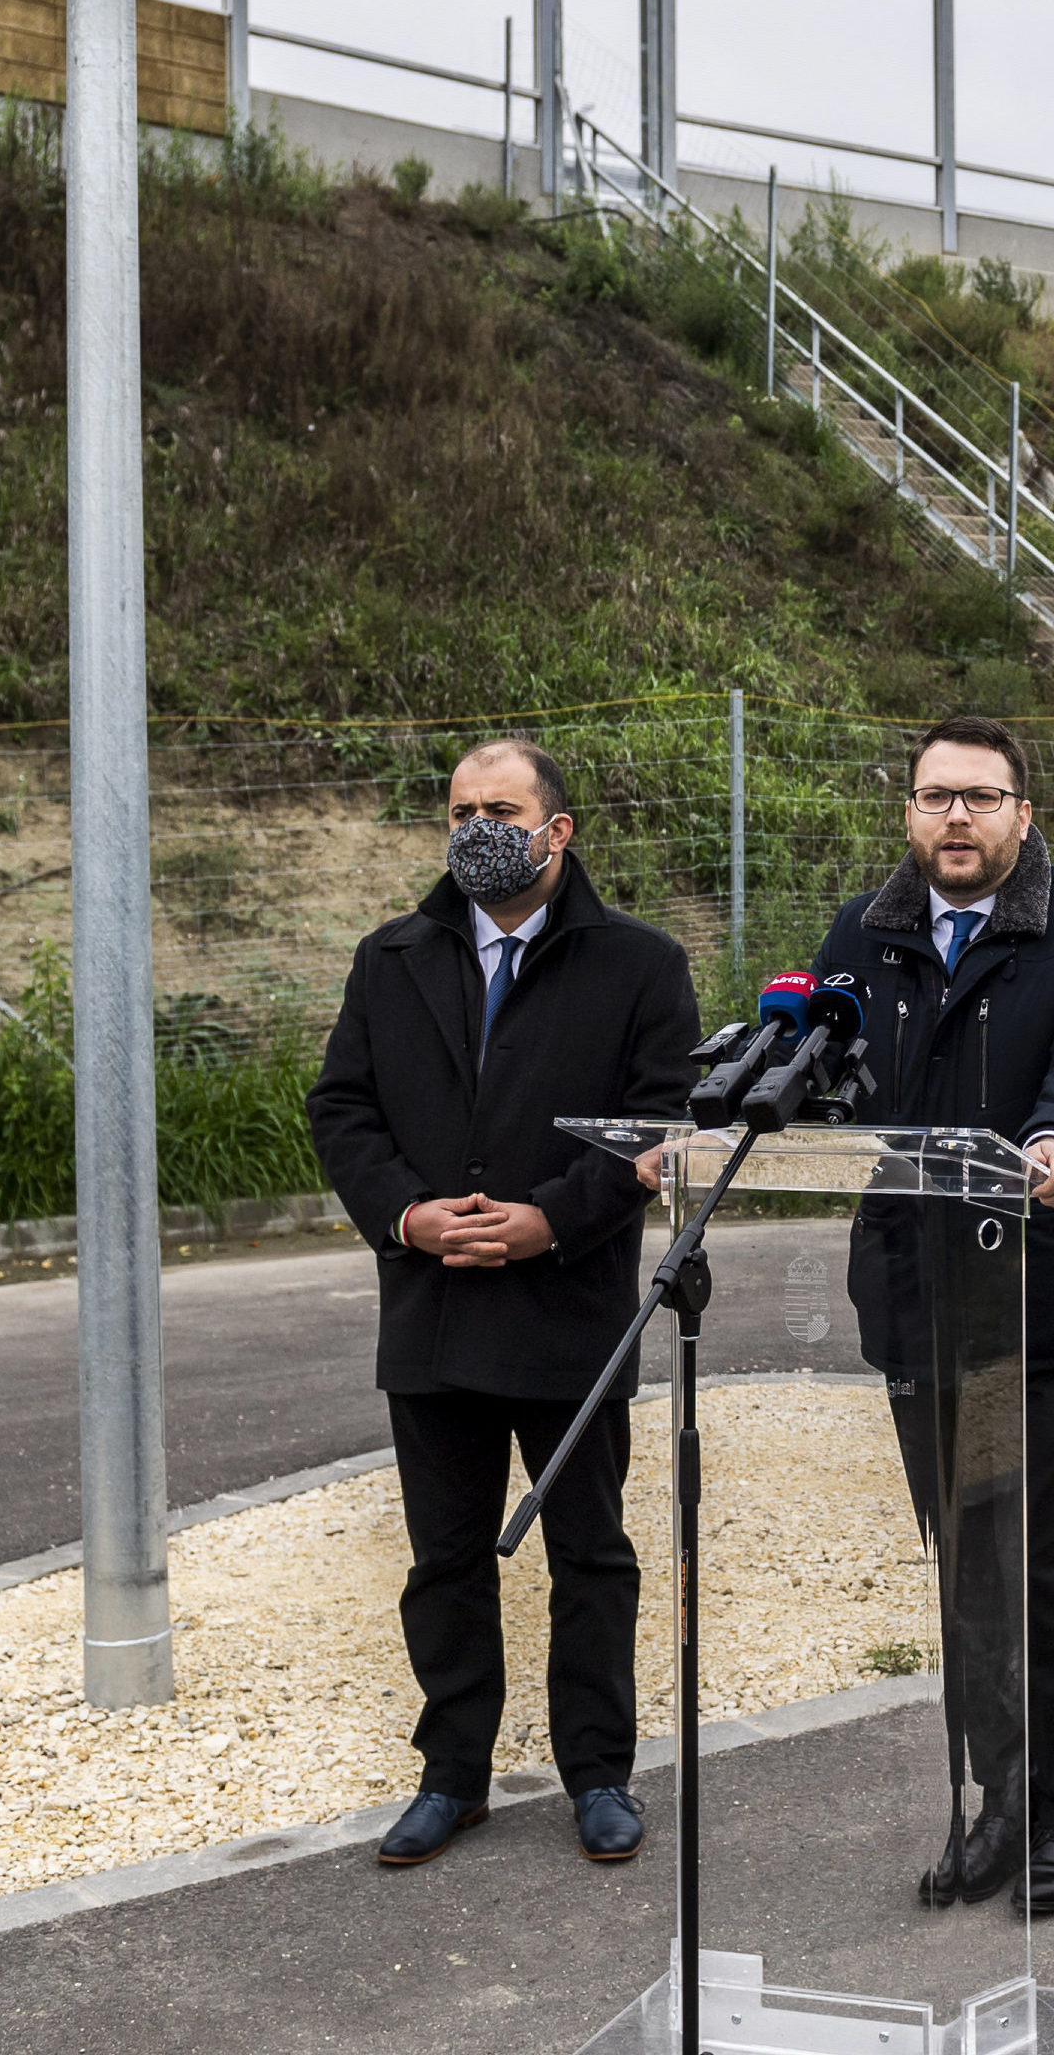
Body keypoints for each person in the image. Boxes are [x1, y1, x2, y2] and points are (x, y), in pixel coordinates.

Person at [308, 738, 697, 1872]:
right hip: (428, 1307)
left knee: (589, 1552)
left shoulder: (638, 965)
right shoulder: (392, 957)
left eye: (501, 808)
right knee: (443, 1558)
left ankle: (598, 1773)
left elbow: (659, 1124)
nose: (477, 826)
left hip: (567, 1310)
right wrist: (409, 1216)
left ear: (557, 831)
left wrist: (549, 1220)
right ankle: (452, 1775)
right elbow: (342, 1110)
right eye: (460, 809)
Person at [808, 714, 1054, 1916]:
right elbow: (823, 1060)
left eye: (979, 796)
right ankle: (996, 1802)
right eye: (933, 796)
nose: (954, 816)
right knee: (966, 1571)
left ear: (1022, 812)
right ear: (907, 812)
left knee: (1043, 1570)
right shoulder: (866, 928)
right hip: (917, 1300)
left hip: (1041, 1296)